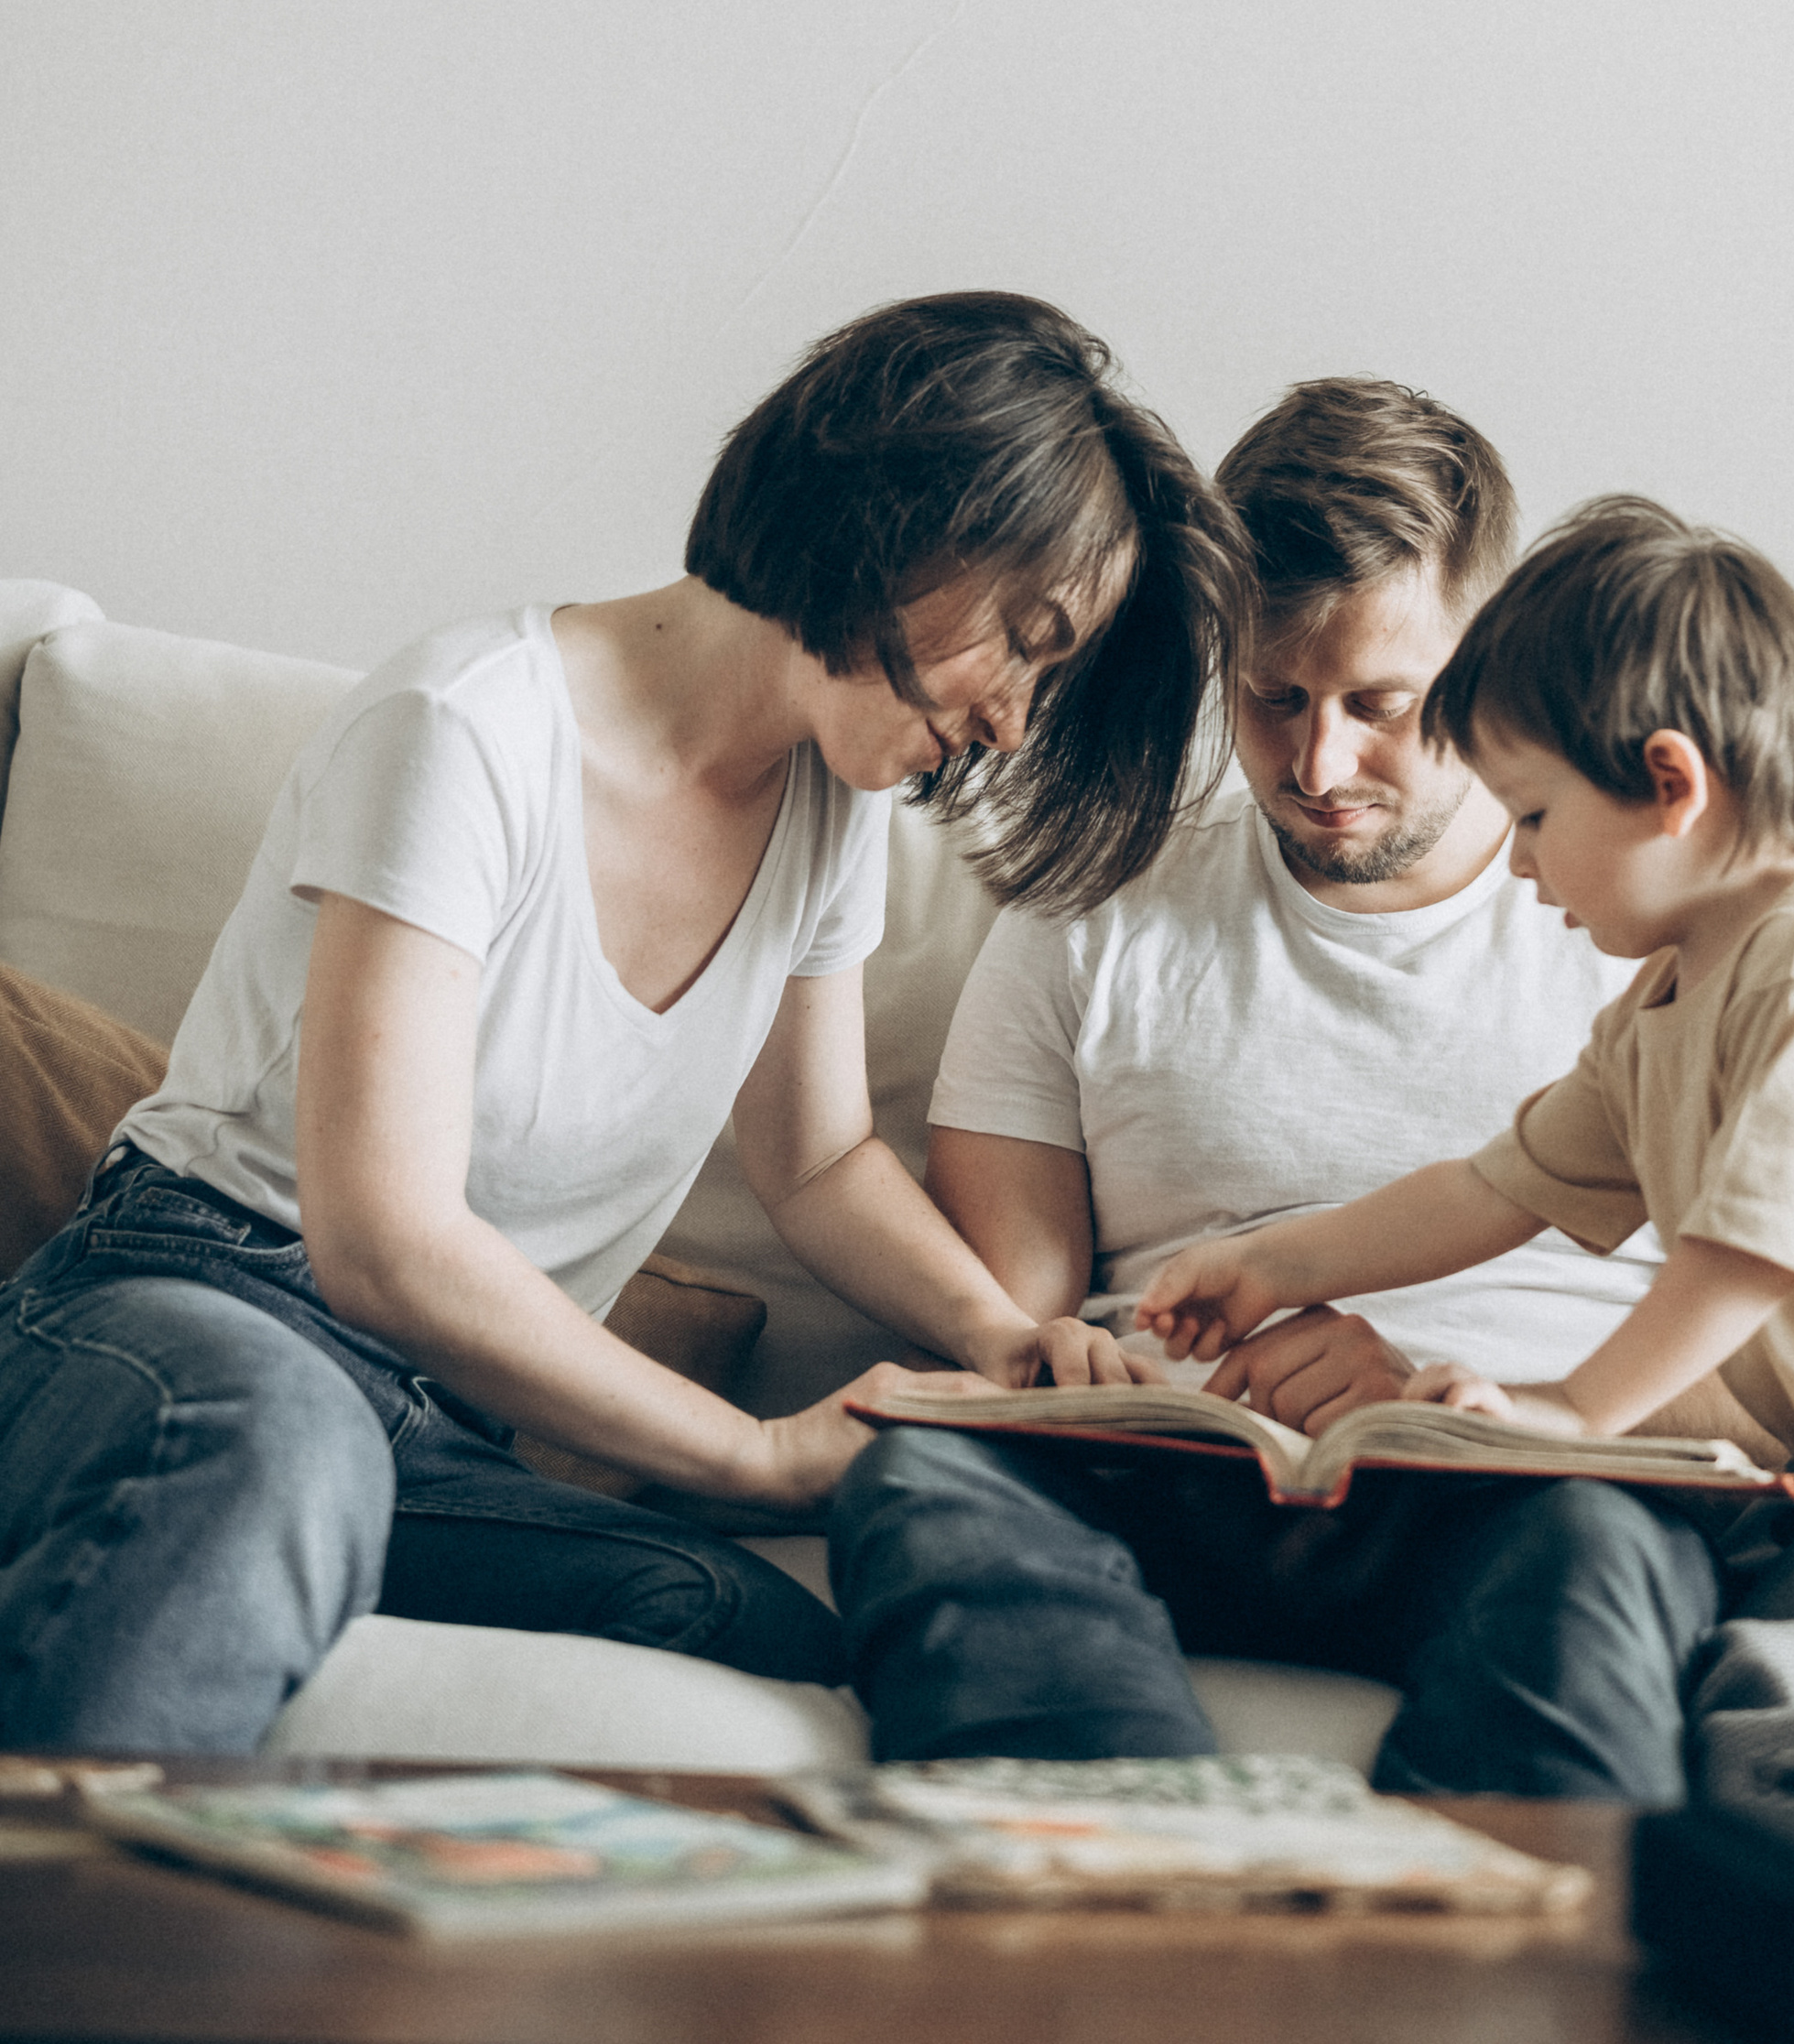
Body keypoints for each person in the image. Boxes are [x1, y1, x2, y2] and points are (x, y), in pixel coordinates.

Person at [0, 290, 1249, 1752]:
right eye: (1025, 645)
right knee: (275, 1433)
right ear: (902, 520)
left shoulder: (827, 809)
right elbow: (383, 1242)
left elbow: (817, 1161)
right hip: (202, 1316)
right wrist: (756, 1454)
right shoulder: (467, 727)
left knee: (740, 1624)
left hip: (439, 1423)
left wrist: (1010, 1338)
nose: (1016, 721)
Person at [1140, 495, 1794, 1793]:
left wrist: (1570, 1411)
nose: (1518, 866)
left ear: (1670, 787)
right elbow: (1494, 1188)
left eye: (1533, 818)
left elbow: (1747, 1258)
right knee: (1726, 1627)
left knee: (1775, 1674)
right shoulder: (1662, 1002)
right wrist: (1276, 1263)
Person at [830, 379, 1702, 1795]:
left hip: (1510, 1489)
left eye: (1380, 705)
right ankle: (1135, 1881)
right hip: (1164, 1480)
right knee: (925, 1473)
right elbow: (1017, 1311)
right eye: (1272, 698)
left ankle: (1477, 1920)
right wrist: (1062, 1364)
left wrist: (1464, 1400)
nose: (1318, 763)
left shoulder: (1647, 923)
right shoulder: (1096, 902)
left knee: (1603, 1546)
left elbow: (1774, 1333)